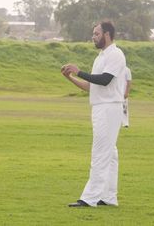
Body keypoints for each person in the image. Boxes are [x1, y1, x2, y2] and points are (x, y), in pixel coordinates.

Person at [61, 21, 126, 207]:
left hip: (109, 107)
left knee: (100, 152)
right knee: (110, 153)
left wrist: (79, 71)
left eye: (96, 33)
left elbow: (105, 80)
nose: (93, 36)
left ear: (107, 34)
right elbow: (91, 86)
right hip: (100, 106)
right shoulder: (100, 57)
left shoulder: (115, 54)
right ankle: (108, 197)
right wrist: (71, 77)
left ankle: (89, 198)